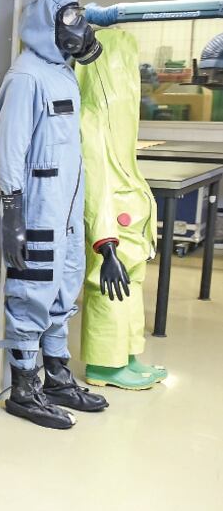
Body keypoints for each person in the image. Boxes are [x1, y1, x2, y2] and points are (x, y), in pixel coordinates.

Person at [0, 0, 109, 430]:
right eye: (71, 19)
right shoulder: (26, 77)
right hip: (39, 205)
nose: (80, 29)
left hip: (67, 206)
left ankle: (58, 376)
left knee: (65, 284)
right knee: (33, 292)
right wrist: (13, 211)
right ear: (49, 25)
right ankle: (24, 388)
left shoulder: (62, 74)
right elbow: (9, 148)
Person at [76, 28, 164, 389]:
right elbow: (95, 186)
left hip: (131, 221)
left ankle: (127, 356)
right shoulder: (91, 119)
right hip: (112, 223)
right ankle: (105, 364)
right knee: (109, 292)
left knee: (130, 293)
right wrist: (105, 242)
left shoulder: (120, 119)